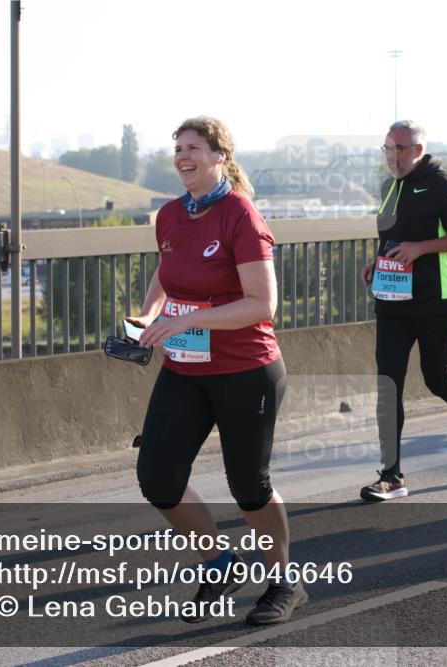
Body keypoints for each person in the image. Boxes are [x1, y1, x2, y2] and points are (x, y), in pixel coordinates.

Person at [126, 116, 306, 624]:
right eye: (178, 148)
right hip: (184, 367)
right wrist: (146, 317)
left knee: (249, 486)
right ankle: (218, 562)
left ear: (219, 156)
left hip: (246, 368)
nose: (183, 156)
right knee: (158, 478)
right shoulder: (168, 216)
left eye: (194, 148)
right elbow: (167, 271)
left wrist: (196, 317)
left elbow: (262, 304)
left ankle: (283, 582)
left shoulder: (240, 215)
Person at [359, 120, 447, 502]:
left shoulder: (439, 183)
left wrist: (420, 248)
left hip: (435, 297)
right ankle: (392, 476)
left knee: (438, 379)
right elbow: (391, 237)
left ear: (418, 149)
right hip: (392, 299)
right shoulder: (392, 186)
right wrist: (377, 263)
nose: (393, 155)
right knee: (388, 386)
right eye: (388, 148)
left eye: (400, 148)